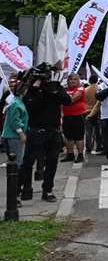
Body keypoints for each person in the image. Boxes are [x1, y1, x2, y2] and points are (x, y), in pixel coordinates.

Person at [17, 69, 72, 202]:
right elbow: (32, 108)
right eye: (43, 80)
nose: (46, 82)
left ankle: (47, 190)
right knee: (28, 162)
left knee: (52, 163)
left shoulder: (56, 87)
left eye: (47, 79)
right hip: (37, 130)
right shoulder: (32, 90)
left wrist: (55, 92)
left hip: (53, 130)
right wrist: (36, 90)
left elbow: (67, 101)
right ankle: (15, 192)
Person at [61, 73, 86, 163]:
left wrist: (63, 97)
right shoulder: (64, 89)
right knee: (69, 137)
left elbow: (73, 99)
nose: (73, 81)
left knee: (79, 136)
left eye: (75, 79)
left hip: (78, 115)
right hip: (67, 116)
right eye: (71, 79)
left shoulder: (80, 88)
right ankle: (70, 154)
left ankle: (80, 155)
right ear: (68, 81)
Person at [2, 83, 28, 167]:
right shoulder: (16, 103)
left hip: (16, 135)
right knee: (17, 161)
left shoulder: (18, 101)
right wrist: (22, 135)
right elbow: (15, 121)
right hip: (15, 135)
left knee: (19, 159)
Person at [83, 75, 103, 154]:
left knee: (88, 130)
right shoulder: (99, 89)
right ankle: (99, 146)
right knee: (98, 130)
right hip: (97, 111)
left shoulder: (85, 90)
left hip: (87, 110)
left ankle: (88, 147)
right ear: (97, 80)